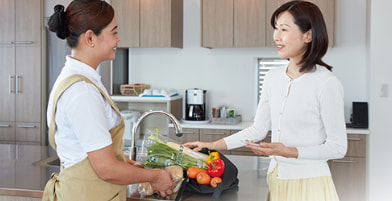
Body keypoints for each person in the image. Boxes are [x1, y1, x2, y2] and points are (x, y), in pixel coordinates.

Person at [184, 1, 347, 201]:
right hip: (276, 177)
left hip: (309, 184)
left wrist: (290, 151)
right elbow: (258, 129)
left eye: (284, 29)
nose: (276, 36)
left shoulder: (326, 83)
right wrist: (212, 144)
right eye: (275, 28)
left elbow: (338, 148)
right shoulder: (273, 77)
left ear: (308, 35)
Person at [42, 1, 176, 200]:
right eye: (113, 32)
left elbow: (87, 154)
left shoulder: (79, 80)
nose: (118, 38)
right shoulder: (82, 91)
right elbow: (106, 169)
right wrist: (156, 176)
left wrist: (127, 164)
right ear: (90, 38)